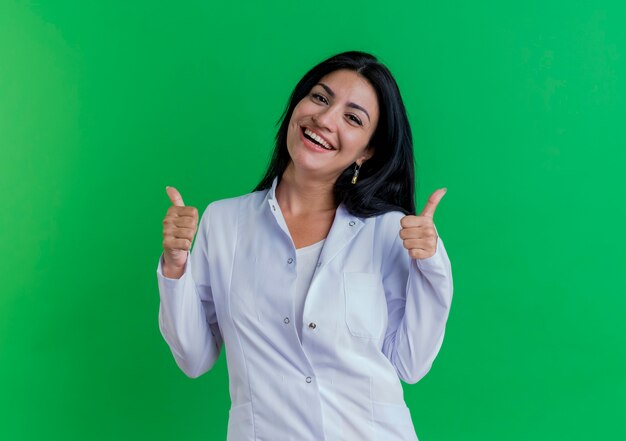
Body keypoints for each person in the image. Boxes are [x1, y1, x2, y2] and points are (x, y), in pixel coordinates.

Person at [157, 51, 453, 441]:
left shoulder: (388, 231)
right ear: (298, 103)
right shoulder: (224, 222)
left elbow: (410, 363)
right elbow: (195, 358)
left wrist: (431, 264)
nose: (325, 120)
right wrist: (175, 266)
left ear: (367, 151)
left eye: (353, 118)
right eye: (320, 98)